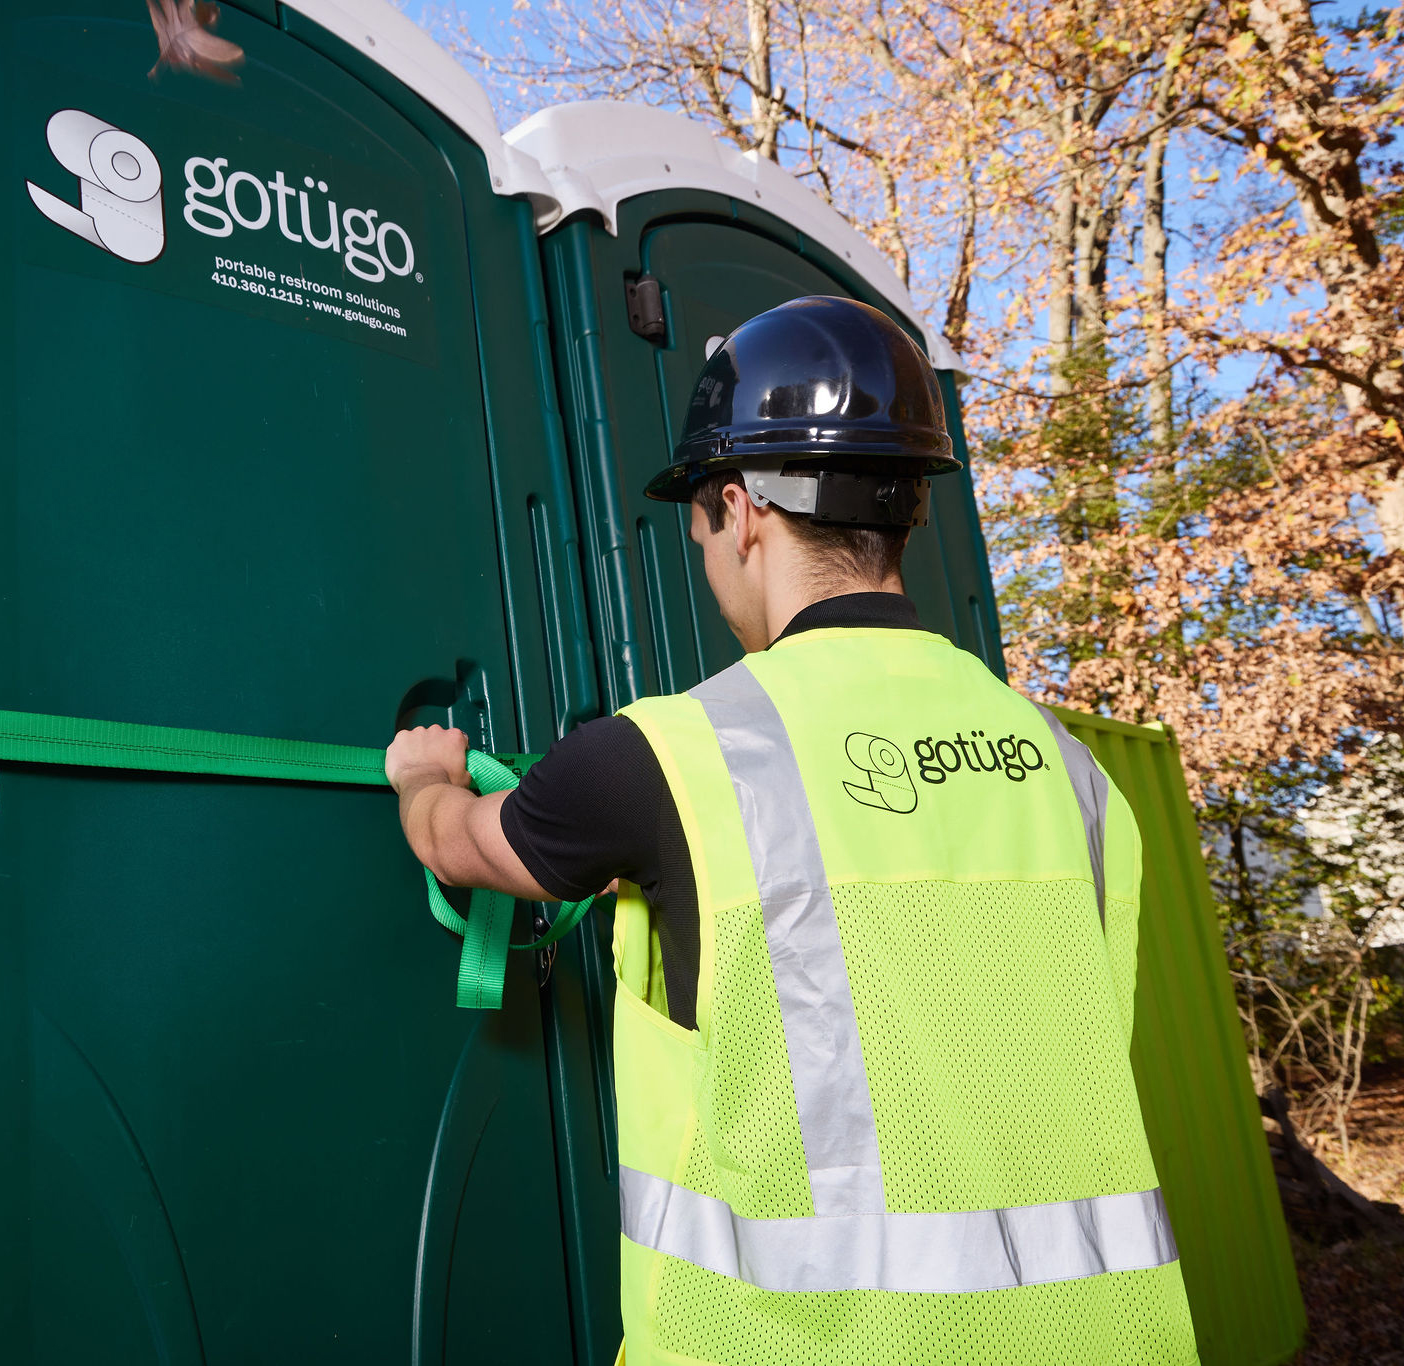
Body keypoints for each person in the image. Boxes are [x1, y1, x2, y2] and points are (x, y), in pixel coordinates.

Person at [385, 296, 1200, 1365]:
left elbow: (462, 844)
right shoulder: (1070, 768)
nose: (709, 560)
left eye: (700, 531)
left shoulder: (668, 756)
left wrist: (422, 774)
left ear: (741, 509)